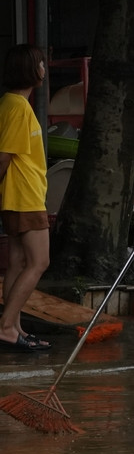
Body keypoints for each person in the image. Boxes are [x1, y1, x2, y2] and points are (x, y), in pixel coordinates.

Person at [0, 44, 52, 352]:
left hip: (19, 195)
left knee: (18, 261)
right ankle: (6, 326)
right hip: (25, 197)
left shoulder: (11, 104)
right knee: (39, 261)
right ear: (30, 70)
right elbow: (3, 157)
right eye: (41, 65)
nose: (44, 70)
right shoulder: (17, 107)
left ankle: (14, 326)